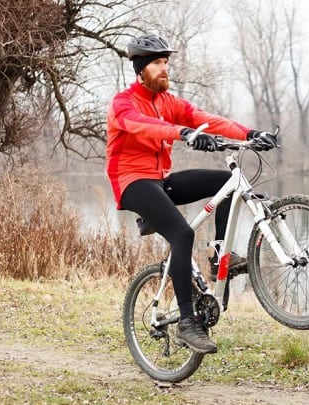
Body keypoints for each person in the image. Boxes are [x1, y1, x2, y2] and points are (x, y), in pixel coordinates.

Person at [105, 34, 276, 354]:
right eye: (157, 63)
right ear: (141, 69)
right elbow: (143, 126)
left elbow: (204, 119)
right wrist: (182, 133)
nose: (164, 68)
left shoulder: (168, 102)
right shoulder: (123, 104)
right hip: (131, 182)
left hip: (159, 180)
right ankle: (187, 322)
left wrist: (250, 134)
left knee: (224, 182)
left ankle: (219, 257)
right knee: (182, 234)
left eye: (166, 63)